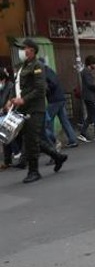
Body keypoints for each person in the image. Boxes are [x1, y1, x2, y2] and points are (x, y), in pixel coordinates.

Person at [4, 39, 68, 183]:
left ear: (32, 50)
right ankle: (57, 156)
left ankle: (34, 171)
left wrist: (24, 100)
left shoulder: (37, 66)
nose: (22, 51)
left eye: (24, 48)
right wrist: (11, 100)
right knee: (32, 139)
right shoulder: (23, 66)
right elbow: (17, 86)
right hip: (23, 109)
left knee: (32, 140)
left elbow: (40, 89)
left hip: (34, 109)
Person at [43, 62, 79, 148]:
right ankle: (72, 140)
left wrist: (46, 89)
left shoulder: (46, 72)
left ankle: (52, 141)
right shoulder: (50, 71)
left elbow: (53, 84)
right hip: (60, 98)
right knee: (64, 120)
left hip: (54, 100)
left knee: (48, 120)